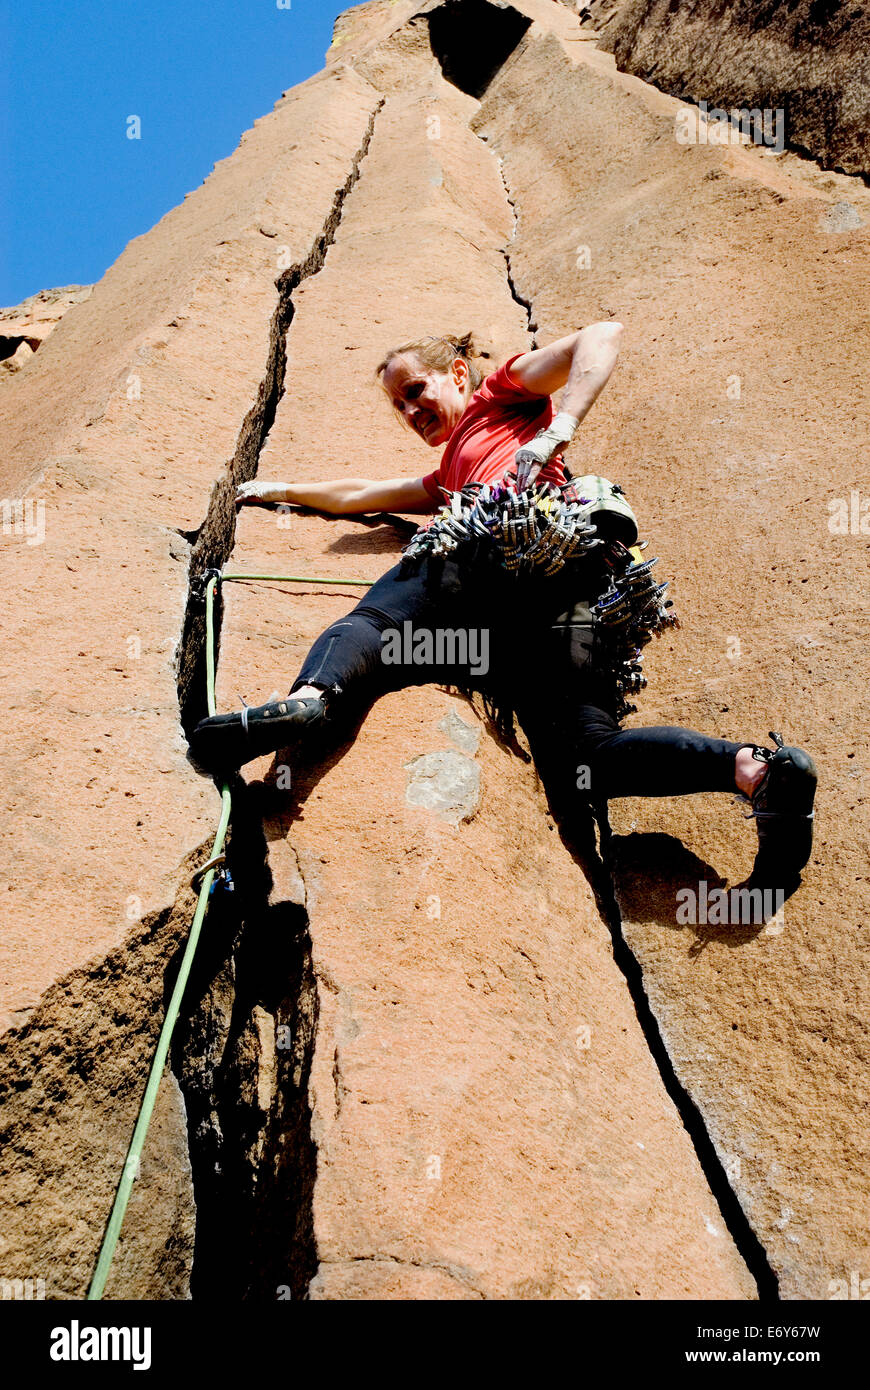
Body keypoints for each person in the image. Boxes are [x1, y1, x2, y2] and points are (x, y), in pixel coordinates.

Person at [192, 326, 817, 896]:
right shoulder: (445, 475)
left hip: (507, 546)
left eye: (416, 390)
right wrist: (274, 491)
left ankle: (311, 698)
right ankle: (756, 773)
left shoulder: (499, 398)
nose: (411, 412)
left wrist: (559, 427)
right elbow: (359, 494)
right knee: (585, 760)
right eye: (399, 407)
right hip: (566, 608)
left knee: (376, 625)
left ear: (458, 374)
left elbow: (600, 336)